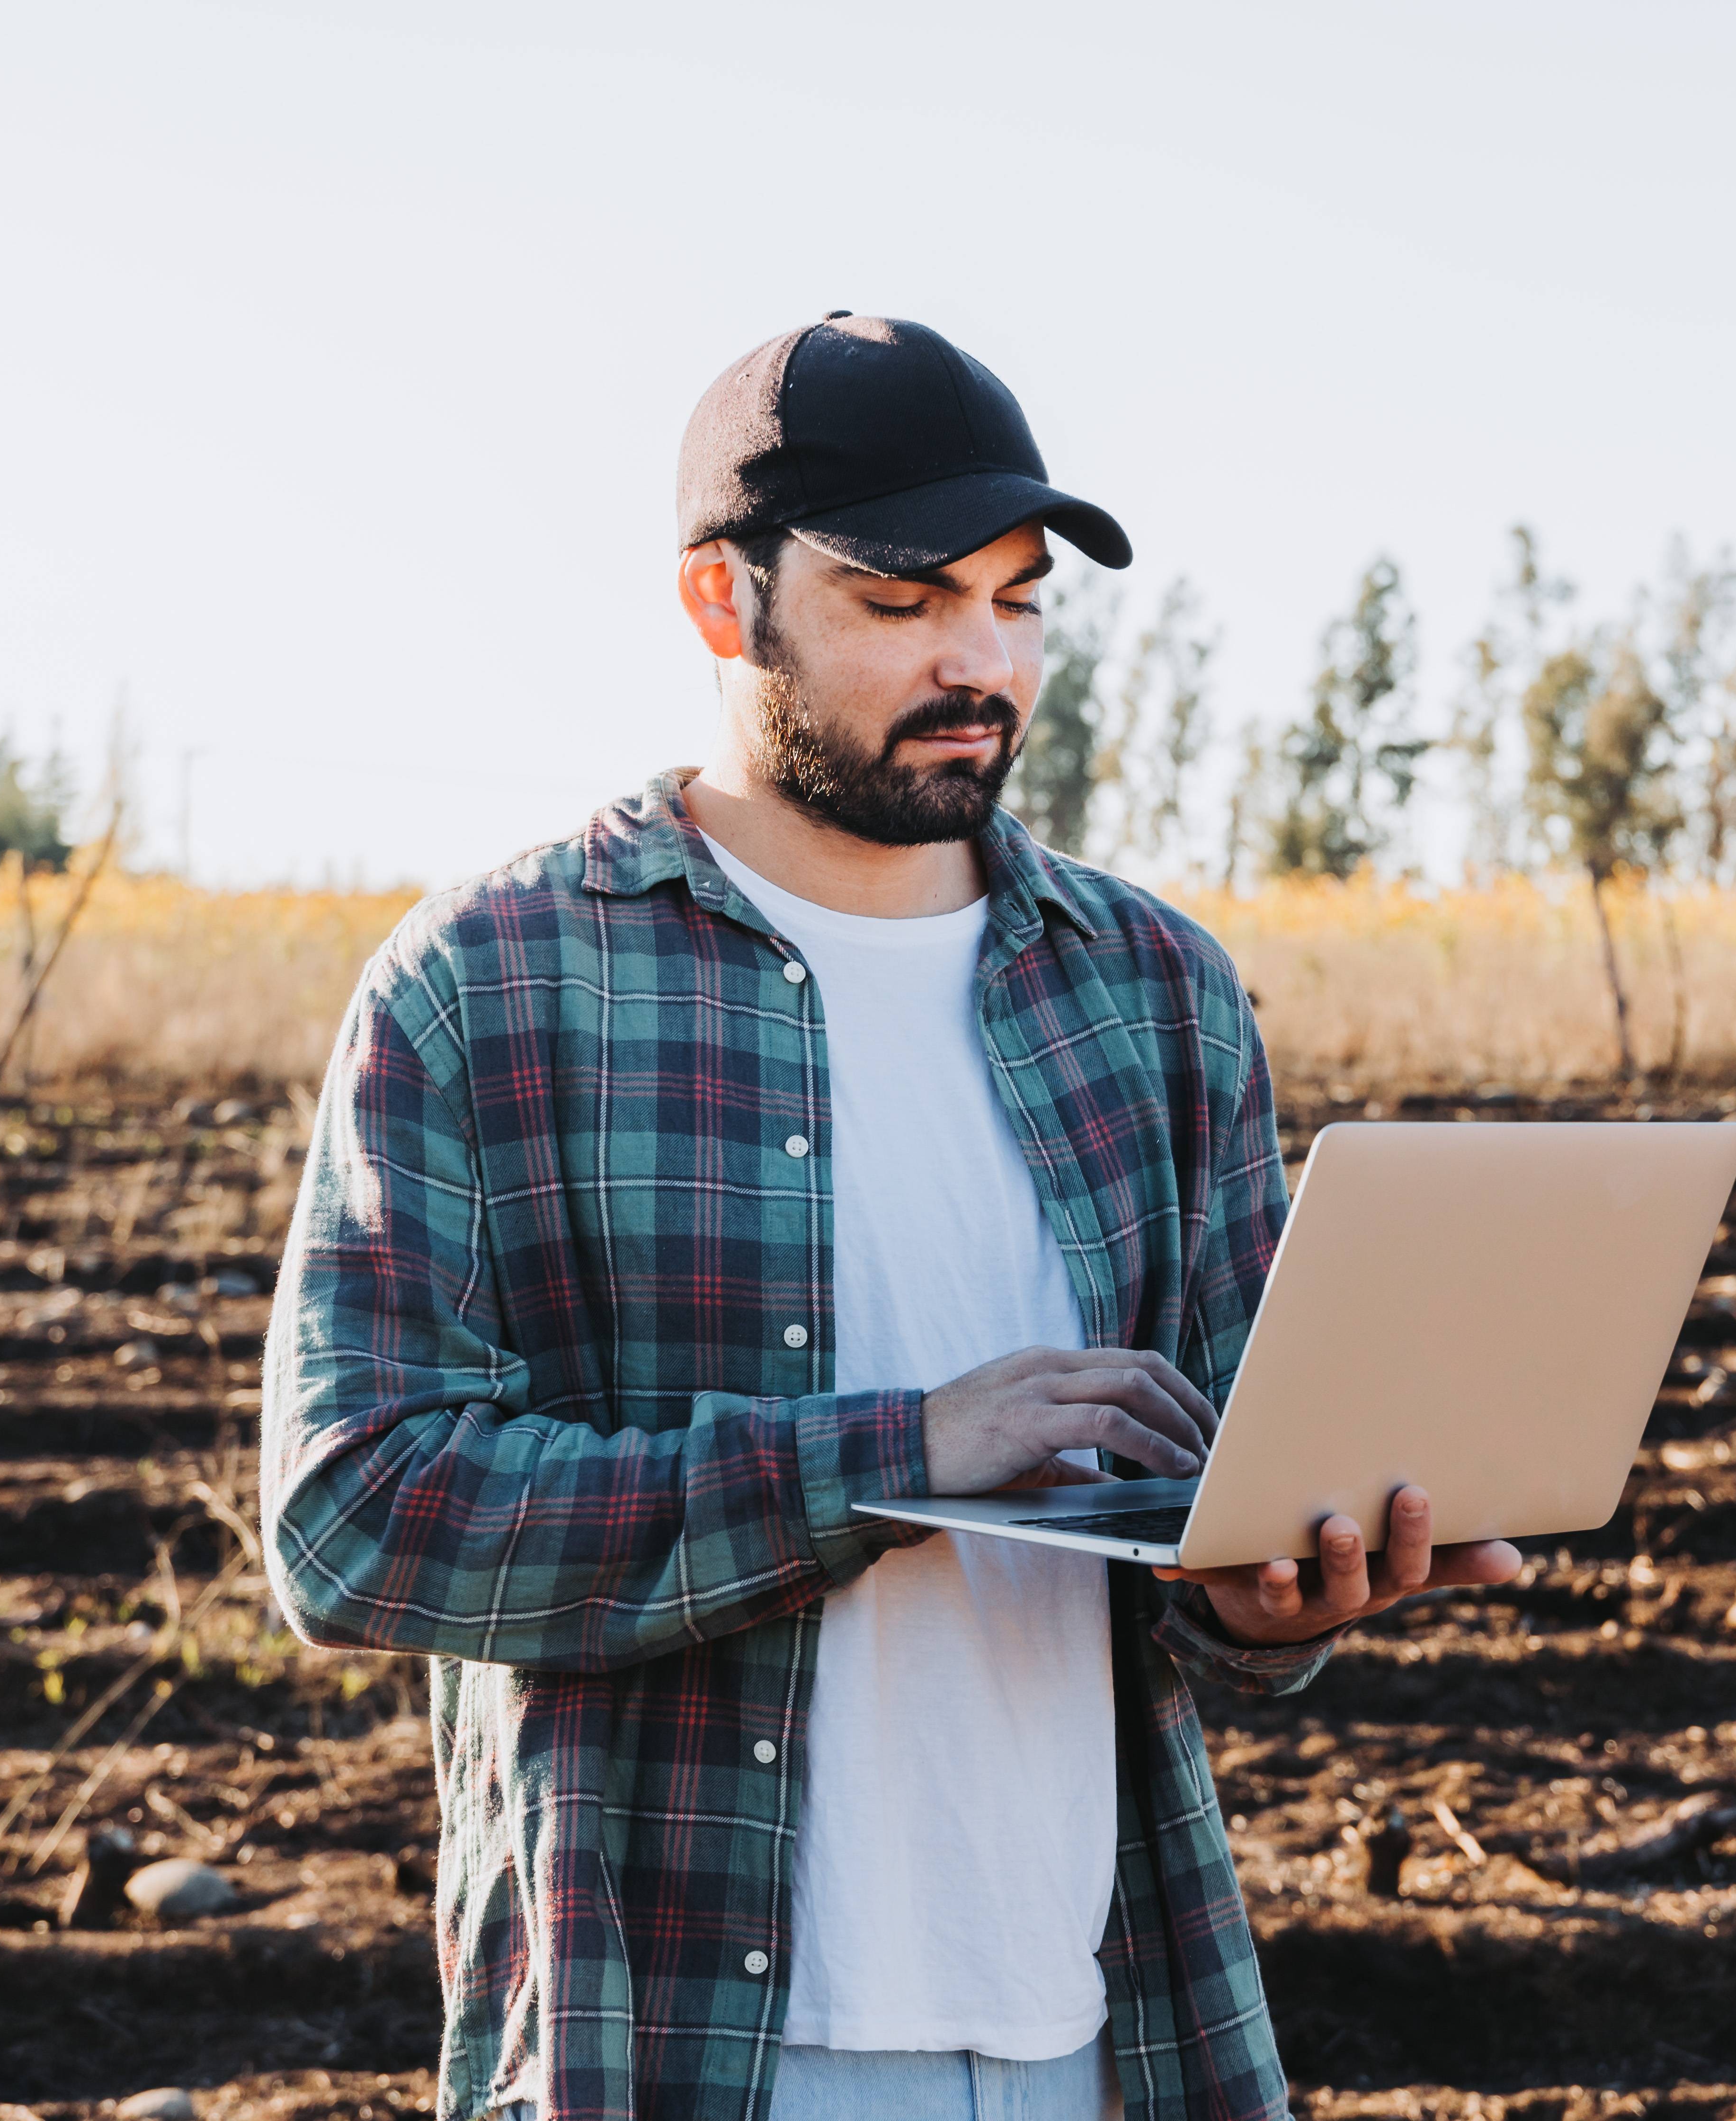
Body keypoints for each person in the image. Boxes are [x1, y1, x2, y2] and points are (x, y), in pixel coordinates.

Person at [262, 312, 1521, 2121]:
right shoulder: (492, 984)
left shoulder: (1152, 991)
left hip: (1099, 2022)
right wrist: (894, 1458)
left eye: (1017, 604)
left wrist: (1277, 1592)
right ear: (724, 602)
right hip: (682, 2039)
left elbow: (1220, 1522)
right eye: (904, 602)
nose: (979, 661)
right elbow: (357, 1519)